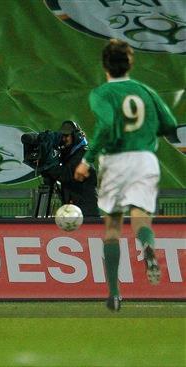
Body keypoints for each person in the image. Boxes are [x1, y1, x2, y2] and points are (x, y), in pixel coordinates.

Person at [74, 39, 177, 311]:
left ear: (104, 65)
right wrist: (143, 133)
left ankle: (114, 294)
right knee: (141, 219)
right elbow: (169, 124)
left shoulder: (101, 94)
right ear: (130, 63)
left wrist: (86, 160)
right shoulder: (145, 90)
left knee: (112, 229)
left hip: (116, 161)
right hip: (145, 160)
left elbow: (107, 125)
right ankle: (148, 248)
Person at [55, 120, 99, 216]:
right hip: (76, 211)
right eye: (62, 136)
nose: (63, 139)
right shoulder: (71, 154)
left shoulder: (82, 155)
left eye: (66, 136)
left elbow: (65, 176)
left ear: (75, 137)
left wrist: (50, 166)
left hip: (86, 213)